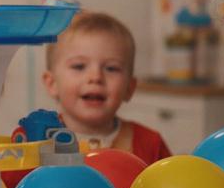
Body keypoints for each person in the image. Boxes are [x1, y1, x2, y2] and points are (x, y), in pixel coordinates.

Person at [42, 11, 171, 164]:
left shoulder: (151, 144)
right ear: (52, 83)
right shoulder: (36, 142)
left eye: (111, 68)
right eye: (79, 66)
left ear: (130, 88)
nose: (96, 77)